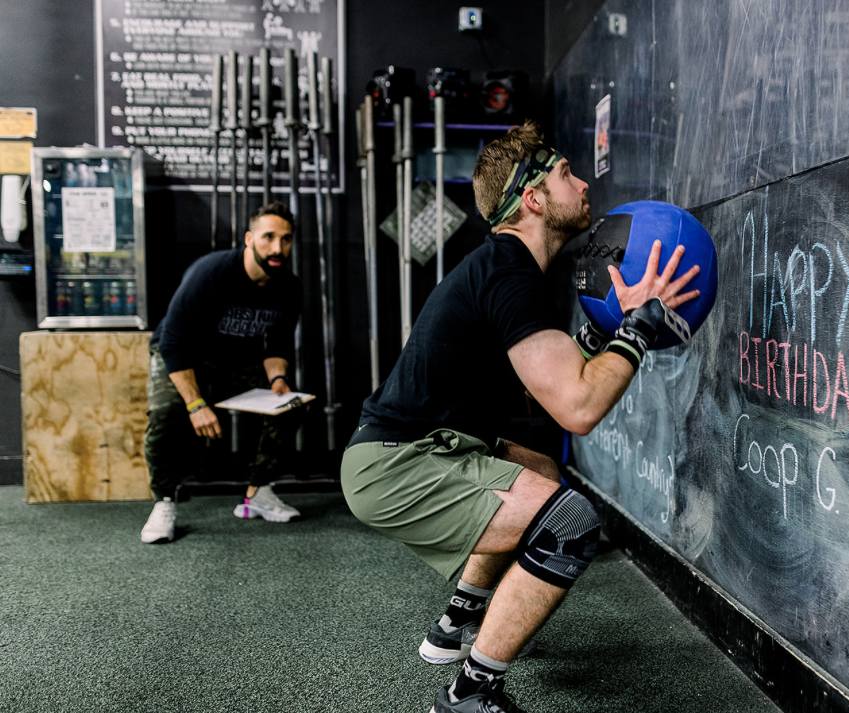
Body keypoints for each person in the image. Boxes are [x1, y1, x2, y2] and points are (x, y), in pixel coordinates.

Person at [340, 122, 700, 713]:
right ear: (533, 198)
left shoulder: (506, 270)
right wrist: (639, 324)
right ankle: (469, 692)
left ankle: (455, 624)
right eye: (565, 174)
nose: (584, 183)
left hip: (426, 447)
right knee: (570, 521)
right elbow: (578, 408)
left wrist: (598, 335)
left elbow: (543, 385)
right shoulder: (509, 273)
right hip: (398, 464)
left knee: (539, 475)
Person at [140, 201, 305, 544]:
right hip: (182, 354)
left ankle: (258, 492)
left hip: (233, 360)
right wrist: (196, 404)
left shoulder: (289, 286)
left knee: (290, 405)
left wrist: (278, 380)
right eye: (268, 237)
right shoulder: (211, 272)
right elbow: (171, 341)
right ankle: (164, 500)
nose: (277, 248)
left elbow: (277, 346)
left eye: (286, 239)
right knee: (166, 412)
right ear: (249, 238)